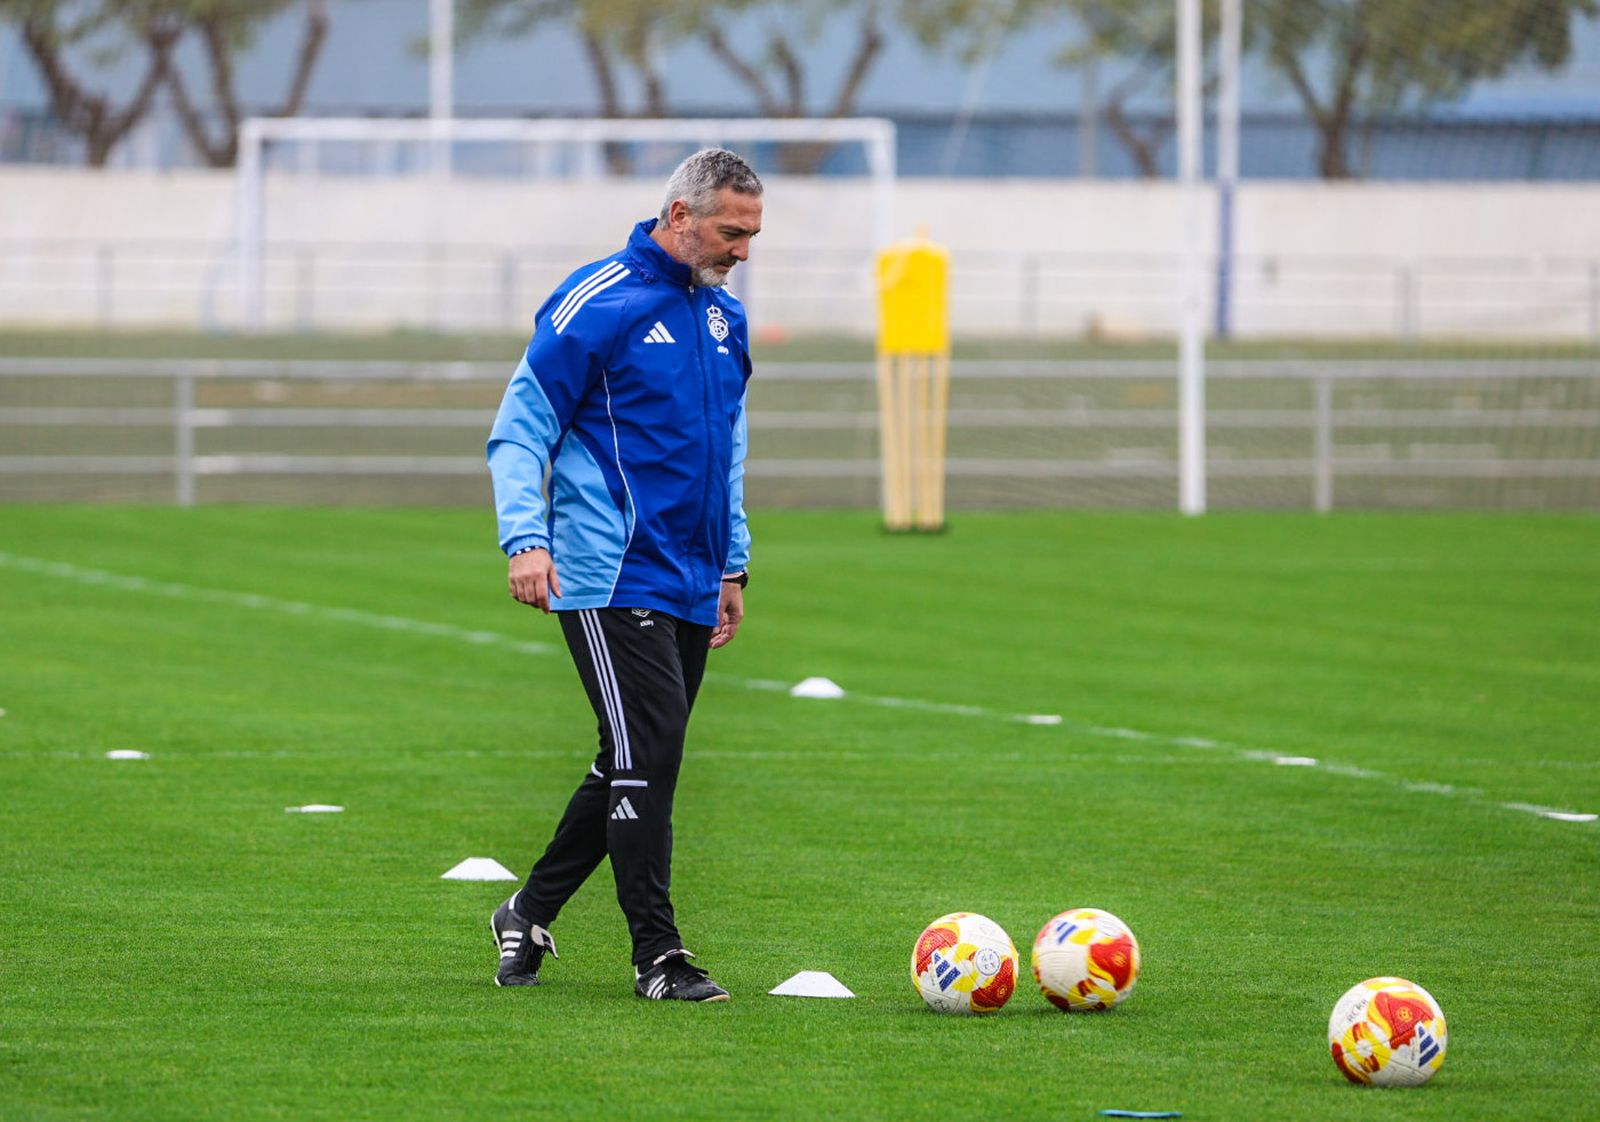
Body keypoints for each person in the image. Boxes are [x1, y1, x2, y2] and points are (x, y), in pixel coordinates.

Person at [484, 148, 763, 1002]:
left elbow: (729, 455)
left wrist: (733, 562)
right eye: (729, 232)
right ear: (679, 216)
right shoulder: (595, 301)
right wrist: (524, 539)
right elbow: (517, 429)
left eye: (753, 235)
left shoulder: (724, 321)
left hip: (689, 576)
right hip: (609, 575)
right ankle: (659, 957)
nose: (742, 251)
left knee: (635, 758)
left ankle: (526, 912)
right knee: (649, 754)